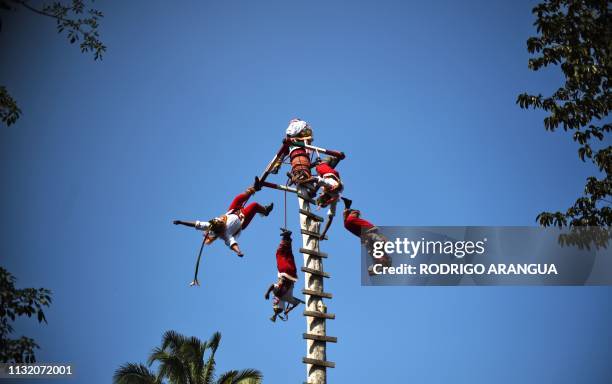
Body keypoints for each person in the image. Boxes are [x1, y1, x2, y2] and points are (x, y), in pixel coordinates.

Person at [173, 186, 273, 257]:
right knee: (254, 205)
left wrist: (181, 222)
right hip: (242, 219)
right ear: (220, 229)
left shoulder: (209, 225)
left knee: (238, 199)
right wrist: (238, 251)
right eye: (221, 223)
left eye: (220, 221)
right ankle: (265, 211)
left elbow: (196, 224)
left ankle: (253, 189)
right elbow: (232, 243)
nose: (221, 221)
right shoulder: (225, 234)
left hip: (232, 211)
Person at [342, 197, 392, 274]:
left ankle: (381, 263)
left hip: (369, 232)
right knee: (373, 250)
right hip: (367, 236)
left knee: (375, 247)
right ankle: (380, 264)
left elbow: (353, 213)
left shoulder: (350, 219)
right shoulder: (348, 221)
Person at [264, 228, 304, 322]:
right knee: (280, 254)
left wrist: (289, 309)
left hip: (293, 273)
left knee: (289, 254)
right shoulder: (277, 293)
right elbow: (272, 286)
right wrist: (267, 293)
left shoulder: (288, 299)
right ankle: (286, 237)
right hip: (285, 271)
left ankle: (288, 237)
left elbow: (296, 303)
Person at [313, 156, 344, 239]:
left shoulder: (334, 198)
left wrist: (323, 233)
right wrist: (313, 192)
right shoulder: (328, 187)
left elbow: (330, 218)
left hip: (333, 174)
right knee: (319, 166)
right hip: (325, 170)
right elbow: (317, 180)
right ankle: (331, 158)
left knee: (324, 168)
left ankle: (335, 158)